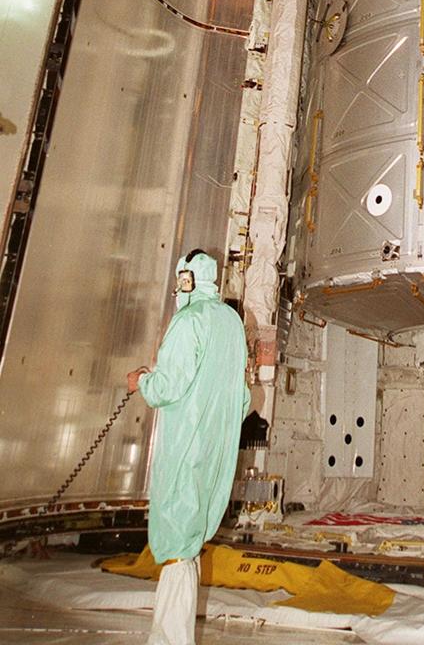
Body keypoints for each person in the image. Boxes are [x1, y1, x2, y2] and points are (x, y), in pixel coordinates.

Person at [127, 249, 249, 645]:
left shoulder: (189, 321)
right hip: (216, 450)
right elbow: (243, 398)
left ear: (186, 279)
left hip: (185, 447)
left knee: (177, 543)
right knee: (191, 541)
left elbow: (168, 386)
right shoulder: (231, 322)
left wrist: (141, 382)